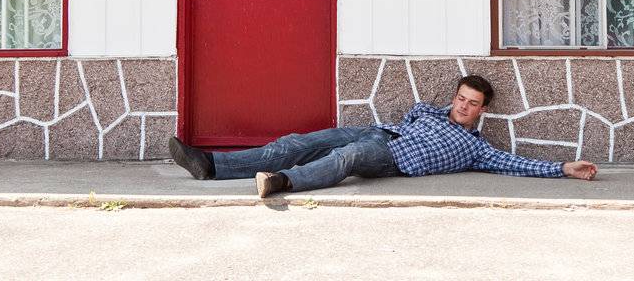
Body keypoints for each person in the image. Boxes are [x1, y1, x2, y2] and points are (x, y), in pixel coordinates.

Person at [168, 74, 598, 198]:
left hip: (393, 160)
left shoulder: (476, 148)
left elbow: (517, 164)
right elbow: (411, 118)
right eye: (460, 98)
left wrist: (563, 167)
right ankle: (212, 165)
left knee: (349, 157)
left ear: (483, 110)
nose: (463, 106)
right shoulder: (427, 110)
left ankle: (282, 182)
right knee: (302, 141)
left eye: (472, 104)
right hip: (380, 134)